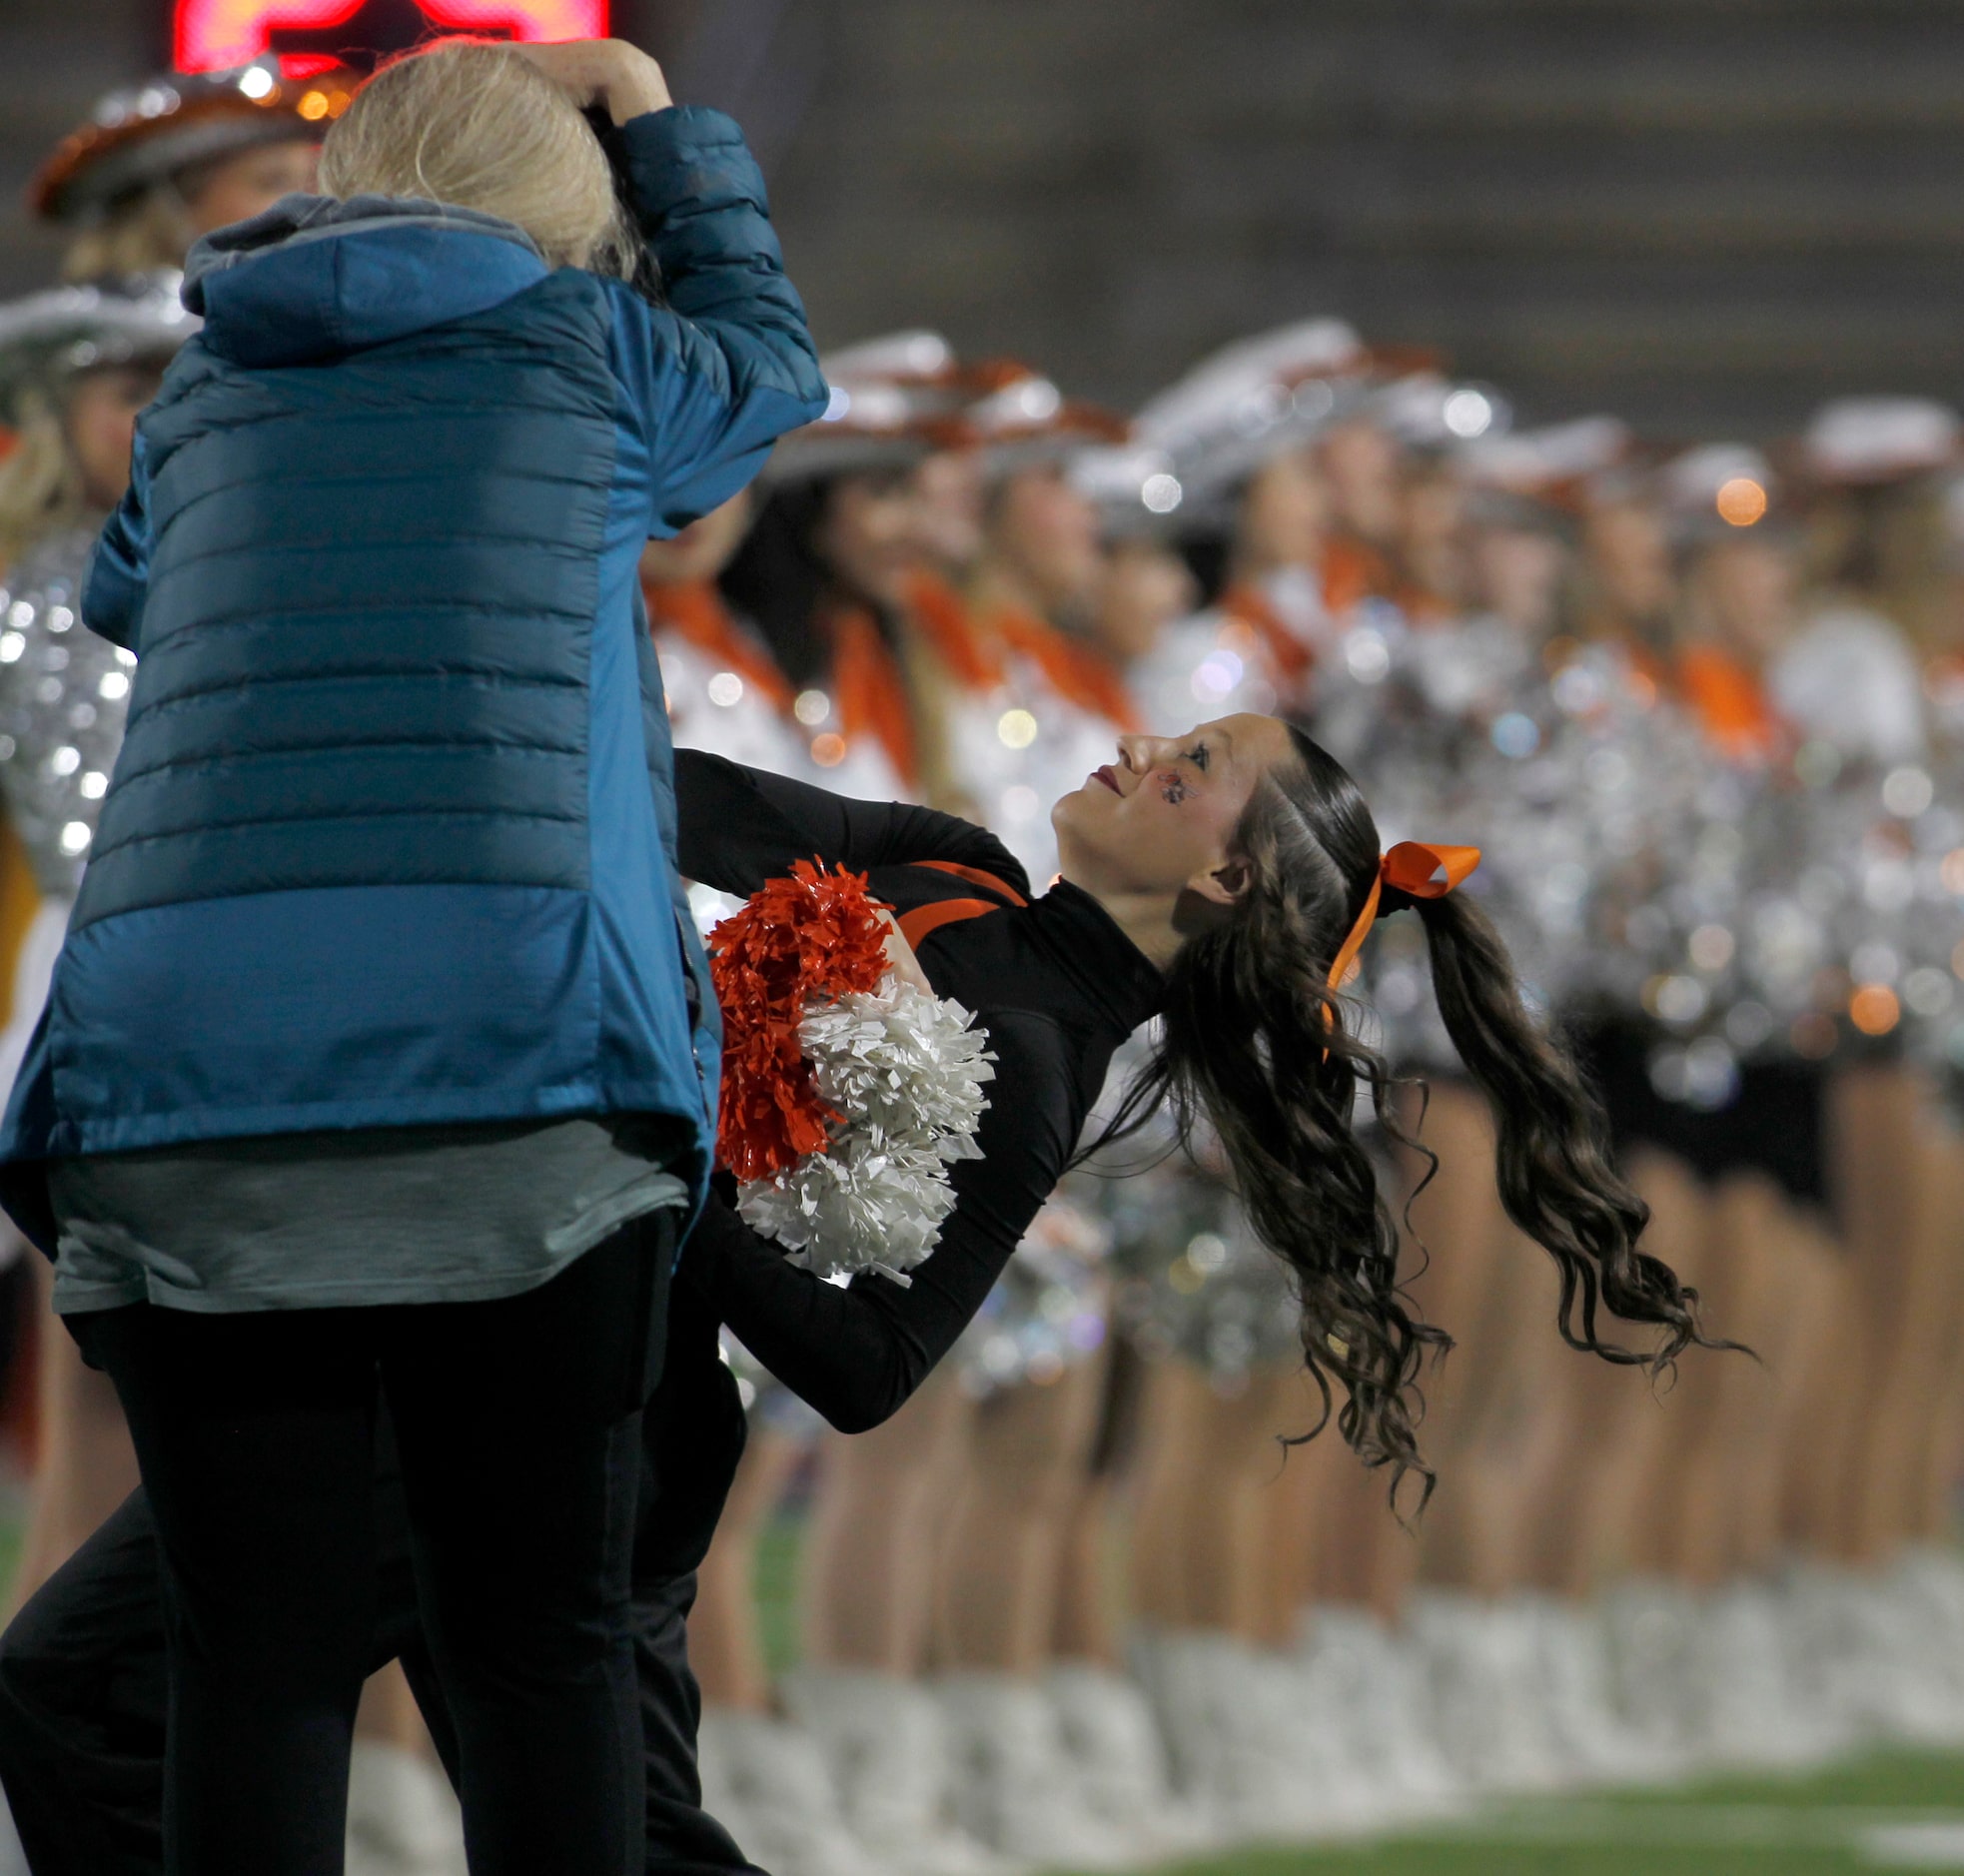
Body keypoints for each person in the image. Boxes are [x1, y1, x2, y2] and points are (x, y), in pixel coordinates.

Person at [0, 37, 825, 1875]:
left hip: (169, 1079)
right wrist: (663, 115)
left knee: (252, 1661)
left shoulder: (205, 392)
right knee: (535, 1646)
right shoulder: (594, 353)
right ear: (569, 206)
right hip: (514, 1064)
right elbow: (776, 368)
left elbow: (127, 587)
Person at [0, 274, 196, 1615]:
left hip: (193, 964)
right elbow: (86, 816)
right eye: (130, 392)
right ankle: (55, 1744)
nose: (164, 418)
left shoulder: (226, 561)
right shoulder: (44, 588)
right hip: (112, 978)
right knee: (102, 1387)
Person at [31, 60, 355, 281]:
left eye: (312, 180)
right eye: (271, 182)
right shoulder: (90, 359)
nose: (311, 204)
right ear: (167, 209)